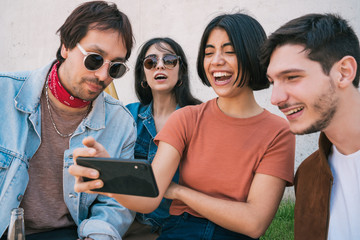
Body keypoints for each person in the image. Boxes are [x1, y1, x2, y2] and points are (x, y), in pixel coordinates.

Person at [70, 13, 295, 240]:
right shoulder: (186, 118)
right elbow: (150, 196)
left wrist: (179, 192)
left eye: (229, 51)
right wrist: (111, 176)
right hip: (180, 231)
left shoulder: (278, 132)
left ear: (252, 55)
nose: (216, 61)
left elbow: (254, 222)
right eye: (208, 53)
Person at [0, 1, 137, 240]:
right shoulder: (4, 93)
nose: (104, 76)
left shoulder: (121, 123)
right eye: (95, 59)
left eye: (115, 67)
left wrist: (97, 236)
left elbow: (115, 204)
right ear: (66, 46)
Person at [260, 13, 360, 240]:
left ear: (344, 73)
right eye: (272, 82)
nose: (275, 98)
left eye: (292, 77)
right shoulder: (308, 175)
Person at [124, 37, 201, 239]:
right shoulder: (128, 116)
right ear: (143, 74)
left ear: (181, 71)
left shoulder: (199, 117)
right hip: (136, 222)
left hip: (184, 223)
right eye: (151, 61)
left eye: (169, 60)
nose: (160, 65)